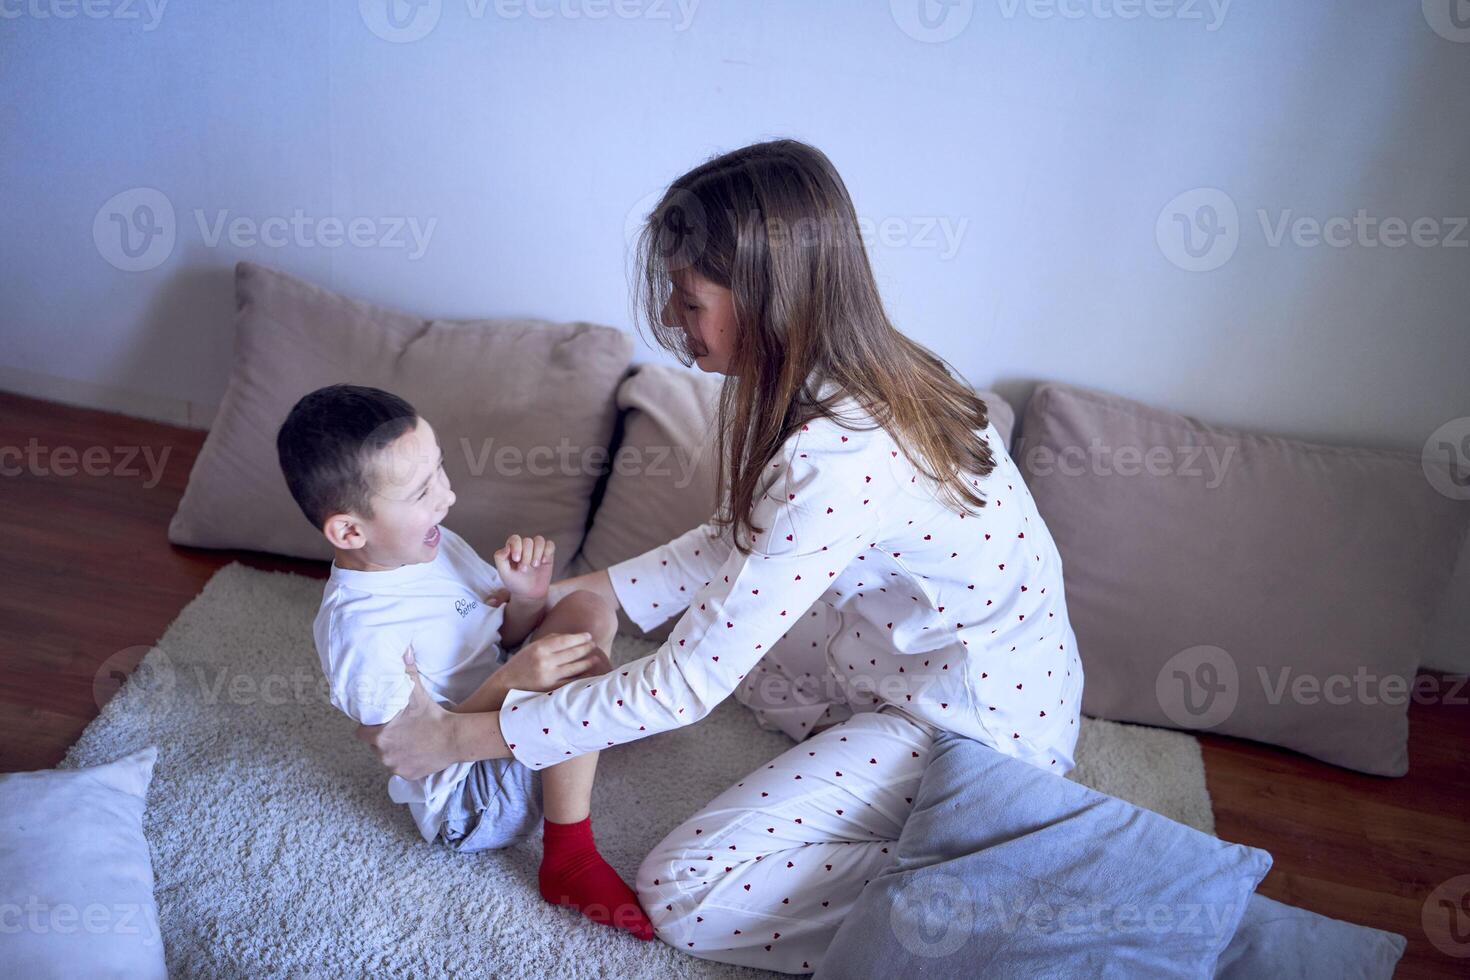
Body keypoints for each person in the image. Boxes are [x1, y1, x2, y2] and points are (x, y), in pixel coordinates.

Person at [357, 139, 1083, 973]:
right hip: (929, 657)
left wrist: (459, 740)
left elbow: (685, 685)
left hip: (977, 733)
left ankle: (980, 880)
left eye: (689, 299)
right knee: (720, 660)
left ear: (772, 301)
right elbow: (743, 542)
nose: (672, 318)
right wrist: (595, 591)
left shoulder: (843, 456)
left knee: (688, 890)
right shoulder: (860, 371)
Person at [277, 383, 654, 940]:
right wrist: (512, 682)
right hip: (469, 799)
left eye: (441, 473)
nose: (446, 498)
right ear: (350, 530)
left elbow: (500, 634)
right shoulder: (360, 630)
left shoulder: (433, 542)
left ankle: (580, 744)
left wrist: (526, 597)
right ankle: (568, 857)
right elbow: (413, 750)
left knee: (585, 609)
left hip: (501, 715)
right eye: (421, 491)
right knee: (580, 676)